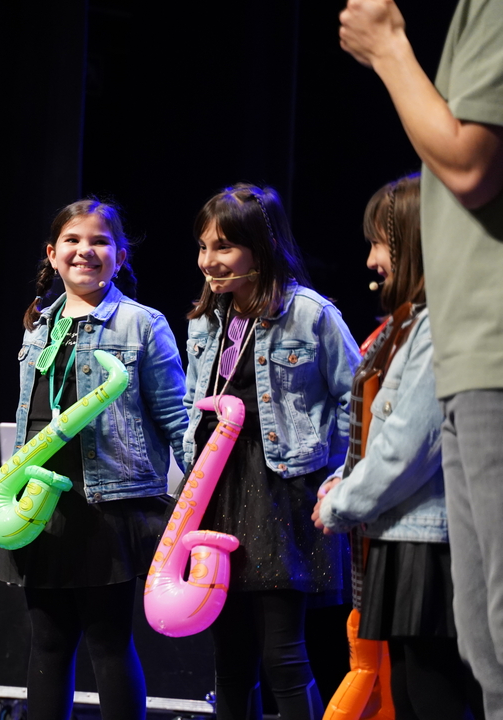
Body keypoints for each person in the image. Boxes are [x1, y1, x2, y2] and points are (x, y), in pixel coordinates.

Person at [339, 3, 503, 717]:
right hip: (475, 364)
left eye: (383, 243)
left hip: (488, 364)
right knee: (480, 651)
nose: (371, 261)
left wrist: (387, 47)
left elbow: (468, 163)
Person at [0, 199, 189, 720]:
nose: (86, 251)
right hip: (42, 502)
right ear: (52, 254)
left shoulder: (143, 324)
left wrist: (199, 492)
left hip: (109, 504)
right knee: (48, 641)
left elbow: (176, 416)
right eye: (73, 241)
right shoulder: (39, 324)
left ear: (120, 256)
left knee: (108, 641)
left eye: (100, 241)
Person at [183, 183, 360, 720]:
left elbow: (359, 396)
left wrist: (340, 472)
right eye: (203, 247)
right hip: (217, 492)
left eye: (224, 247)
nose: (209, 261)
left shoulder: (310, 314)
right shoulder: (205, 318)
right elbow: (193, 404)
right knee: (230, 660)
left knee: (283, 655)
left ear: (262, 247)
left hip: (281, 491)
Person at [313, 174, 482, 720]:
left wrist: (342, 503)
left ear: (413, 242)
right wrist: (340, 481)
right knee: (407, 695)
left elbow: (411, 443)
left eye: (379, 243)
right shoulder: (406, 324)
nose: (370, 260)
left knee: (433, 697)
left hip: (429, 542)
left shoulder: (440, 327)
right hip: (399, 535)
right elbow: (374, 429)